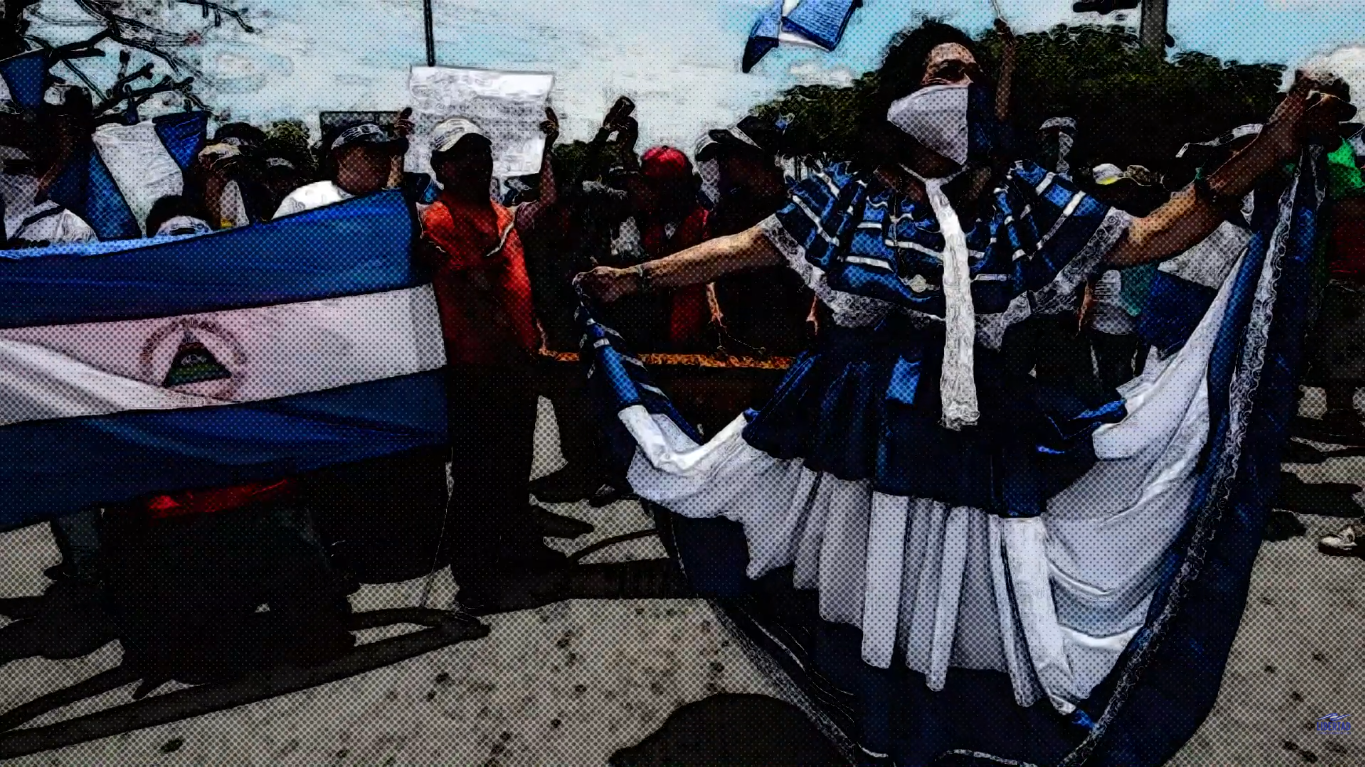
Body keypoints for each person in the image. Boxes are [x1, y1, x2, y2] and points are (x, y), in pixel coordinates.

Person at [577, 19, 1348, 763]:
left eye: (975, 76)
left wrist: (1266, 150)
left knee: (947, 607)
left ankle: (932, 740)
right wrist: (633, 278)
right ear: (903, 95)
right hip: (852, 440)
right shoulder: (849, 196)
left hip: (970, 445)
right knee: (864, 595)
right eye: (947, 72)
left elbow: (1148, 237)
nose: (964, 86)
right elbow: (746, 245)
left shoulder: (1021, 197)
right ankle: (875, 734)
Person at [418, 116, 569, 613]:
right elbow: (476, 291)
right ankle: (477, 578)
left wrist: (547, 143)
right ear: (439, 167)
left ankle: (518, 549)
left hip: (513, 366)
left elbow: (542, 218)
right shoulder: (440, 219)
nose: (474, 162)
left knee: (513, 468)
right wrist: (516, 348)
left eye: (480, 151)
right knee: (478, 477)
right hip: (476, 369)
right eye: (460, 155)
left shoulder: (501, 215)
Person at [699, 115, 814, 357]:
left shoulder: (799, 208)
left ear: (752, 158)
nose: (723, 162)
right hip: (735, 330)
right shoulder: (726, 210)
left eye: (729, 154)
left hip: (789, 329)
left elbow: (822, 267)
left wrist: (815, 312)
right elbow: (711, 260)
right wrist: (714, 304)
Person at [274, 117, 411, 218]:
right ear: (340, 157)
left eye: (385, 153)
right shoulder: (306, 201)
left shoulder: (396, 202)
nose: (381, 161)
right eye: (370, 154)